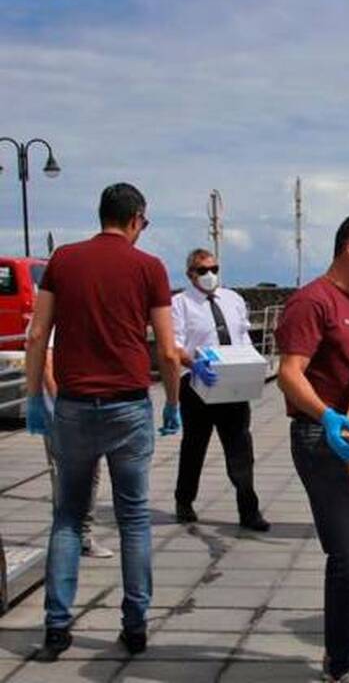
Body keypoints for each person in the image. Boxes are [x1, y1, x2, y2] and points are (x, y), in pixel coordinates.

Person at [24, 183, 182, 662]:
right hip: (129, 406)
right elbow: (170, 351)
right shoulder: (149, 268)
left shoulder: (64, 262)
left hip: (73, 406)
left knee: (68, 517)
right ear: (136, 219)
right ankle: (134, 625)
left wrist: (34, 397)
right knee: (133, 519)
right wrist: (173, 404)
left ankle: (56, 627)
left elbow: (36, 336)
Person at [275, 214, 349, 683]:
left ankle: (345, 653)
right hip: (321, 439)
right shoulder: (312, 302)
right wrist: (325, 415)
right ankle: (342, 664)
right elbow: (290, 372)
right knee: (347, 552)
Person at [171, 248, 269, 532]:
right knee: (194, 446)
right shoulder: (180, 303)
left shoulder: (233, 299)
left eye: (214, 269)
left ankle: (249, 510)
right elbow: (174, 345)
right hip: (198, 383)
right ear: (191, 274)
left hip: (232, 381)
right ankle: (184, 500)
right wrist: (195, 364)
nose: (209, 275)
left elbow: (243, 336)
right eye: (203, 271)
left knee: (240, 446)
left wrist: (253, 364)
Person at [33, 325, 113, 558]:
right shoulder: (55, 313)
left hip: (82, 407)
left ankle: (80, 536)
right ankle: (73, 538)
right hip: (65, 412)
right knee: (70, 477)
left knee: (89, 473)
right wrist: (62, 405)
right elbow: (47, 362)